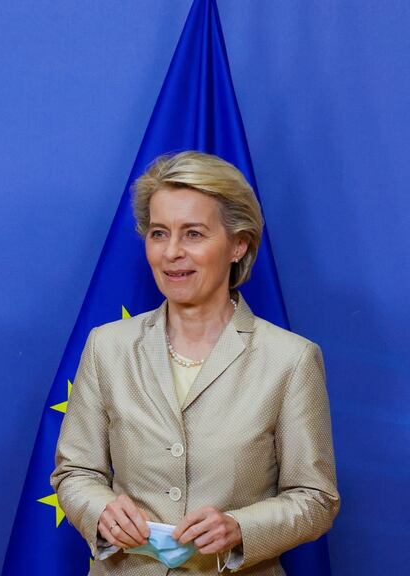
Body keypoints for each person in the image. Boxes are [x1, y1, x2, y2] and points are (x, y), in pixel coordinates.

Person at [50, 151, 339, 575]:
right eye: (159, 233)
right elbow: (75, 472)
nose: (171, 252)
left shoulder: (290, 359)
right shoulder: (107, 346)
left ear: (238, 244)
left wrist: (240, 528)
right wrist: (101, 509)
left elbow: (316, 499)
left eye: (193, 234)